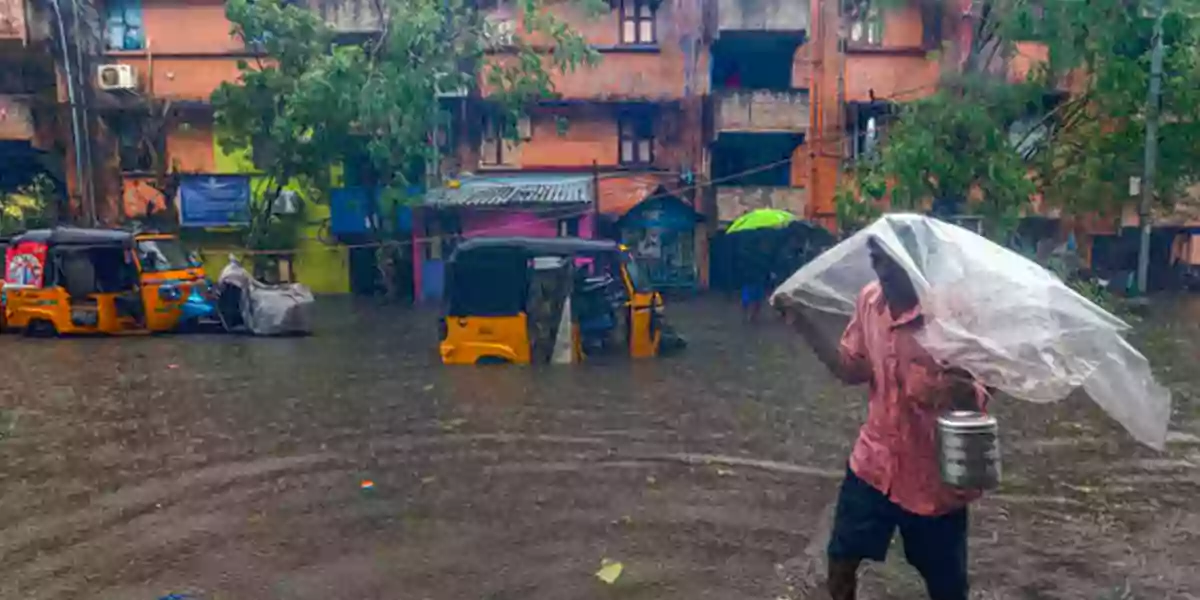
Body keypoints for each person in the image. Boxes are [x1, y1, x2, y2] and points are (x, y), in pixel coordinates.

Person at [788, 235, 988, 600]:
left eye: (888, 261)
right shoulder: (870, 302)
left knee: (947, 586)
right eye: (874, 259)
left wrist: (965, 393)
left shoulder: (952, 315)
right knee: (841, 561)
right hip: (873, 465)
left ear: (914, 262)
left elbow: (982, 395)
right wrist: (804, 323)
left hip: (933, 480)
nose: (880, 270)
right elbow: (851, 369)